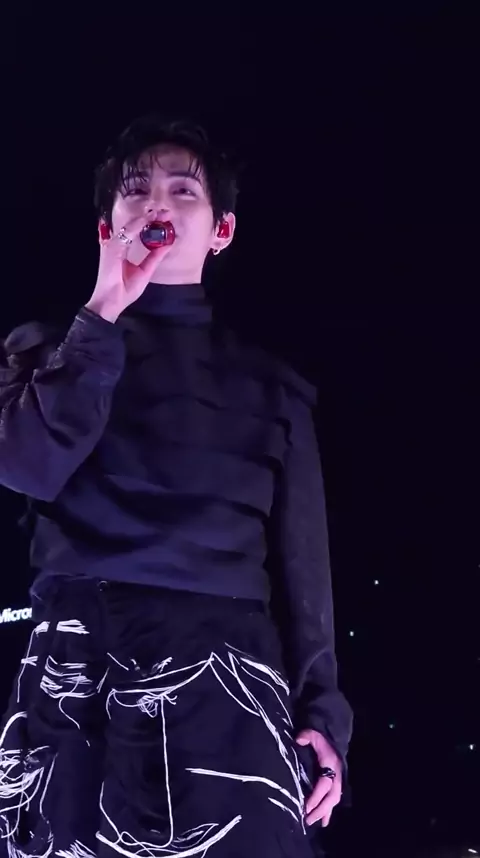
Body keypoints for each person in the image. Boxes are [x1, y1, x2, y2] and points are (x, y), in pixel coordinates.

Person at [0, 114, 353, 858]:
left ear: (221, 230)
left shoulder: (271, 386)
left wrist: (324, 713)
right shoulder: (42, 351)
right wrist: (102, 312)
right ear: (108, 225)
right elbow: (27, 466)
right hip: (77, 665)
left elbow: (304, 566)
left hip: (229, 673)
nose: (156, 201)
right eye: (135, 189)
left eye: (183, 189)